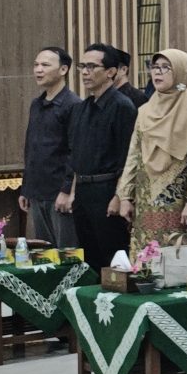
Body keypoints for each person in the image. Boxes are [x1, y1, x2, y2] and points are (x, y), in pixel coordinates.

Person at [116, 49, 187, 258]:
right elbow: (134, 154)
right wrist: (125, 195)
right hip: (146, 200)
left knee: (180, 260)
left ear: (181, 72)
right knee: (147, 261)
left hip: (181, 205)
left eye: (166, 68)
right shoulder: (145, 111)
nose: (157, 72)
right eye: (155, 67)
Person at [63, 43, 138, 270]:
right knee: (89, 259)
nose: (85, 72)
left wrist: (119, 196)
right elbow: (76, 155)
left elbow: (127, 157)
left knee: (113, 258)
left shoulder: (122, 106)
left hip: (107, 190)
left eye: (92, 67)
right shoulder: (81, 108)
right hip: (83, 191)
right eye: (82, 66)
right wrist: (73, 193)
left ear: (111, 72)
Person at [20, 46, 80, 249]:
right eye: (36, 65)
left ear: (63, 70)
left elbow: (75, 151)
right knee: (43, 251)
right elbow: (31, 148)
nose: (38, 70)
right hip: (37, 190)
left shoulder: (73, 105)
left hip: (59, 192)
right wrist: (26, 188)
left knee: (66, 252)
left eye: (45, 65)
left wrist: (67, 190)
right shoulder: (36, 104)